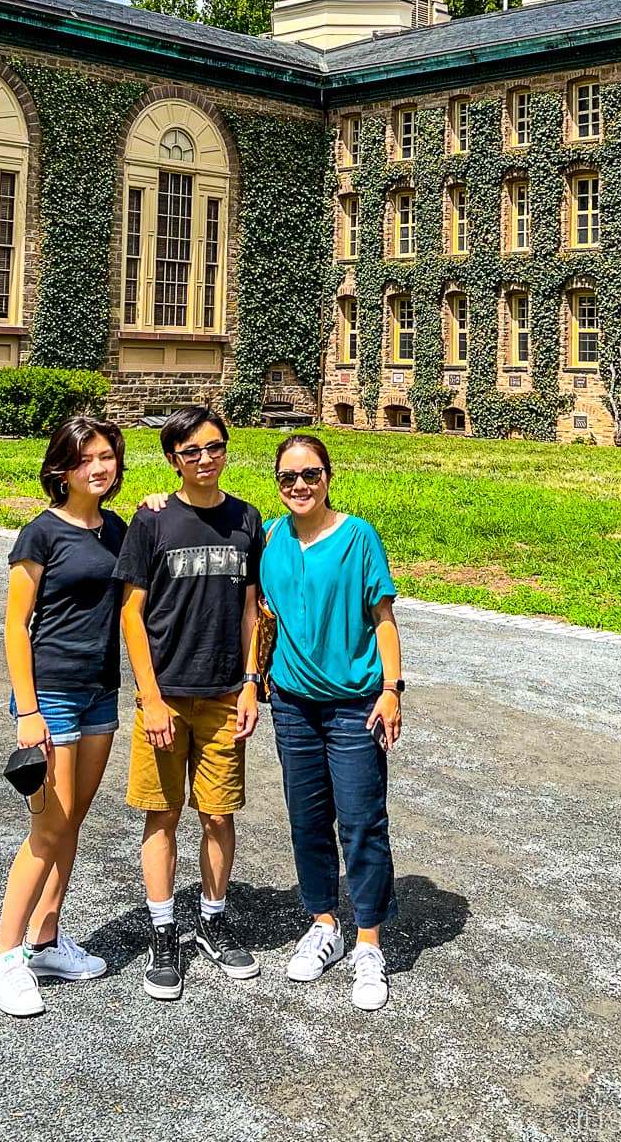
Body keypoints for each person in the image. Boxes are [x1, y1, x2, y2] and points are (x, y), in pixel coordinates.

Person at [115, 405, 262, 1001]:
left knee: (219, 814)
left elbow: (254, 608)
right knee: (162, 813)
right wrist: (149, 698)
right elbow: (131, 613)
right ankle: (163, 929)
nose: (206, 459)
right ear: (173, 459)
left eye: (215, 447)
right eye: (192, 451)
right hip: (166, 696)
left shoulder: (247, 519)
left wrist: (252, 681)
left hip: (226, 693)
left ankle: (213, 918)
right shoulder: (152, 522)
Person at [0, 415, 128, 1018]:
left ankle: (46, 940)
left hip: (100, 694)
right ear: (61, 469)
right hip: (53, 696)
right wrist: (29, 709)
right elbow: (17, 625)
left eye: (107, 457)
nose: (98, 468)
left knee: (71, 825)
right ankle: (5, 959)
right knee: (47, 830)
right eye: (85, 459)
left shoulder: (119, 529)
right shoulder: (41, 534)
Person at [257, 433, 404, 1013]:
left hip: (355, 703)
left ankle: (368, 941)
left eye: (311, 474)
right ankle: (325, 924)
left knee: (363, 820)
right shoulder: (269, 537)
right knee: (307, 820)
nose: (299, 486)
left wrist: (392, 690)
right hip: (291, 703)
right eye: (289, 477)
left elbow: (384, 619)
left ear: (329, 477)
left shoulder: (358, 536)